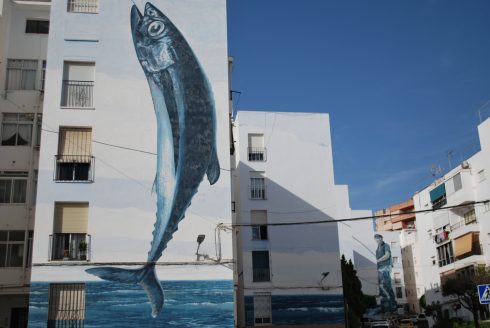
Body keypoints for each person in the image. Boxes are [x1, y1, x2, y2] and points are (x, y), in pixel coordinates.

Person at [375, 234, 397, 313]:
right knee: (381, 286)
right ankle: (385, 306)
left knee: (387, 285)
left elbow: (387, 255)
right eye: (376, 240)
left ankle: (392, 305)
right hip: (380, 269)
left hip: (386, 267)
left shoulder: (386, 245)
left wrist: (378, 260)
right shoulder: (377, 249)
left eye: (378, 239)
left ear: (381, 238)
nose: (377, 241)